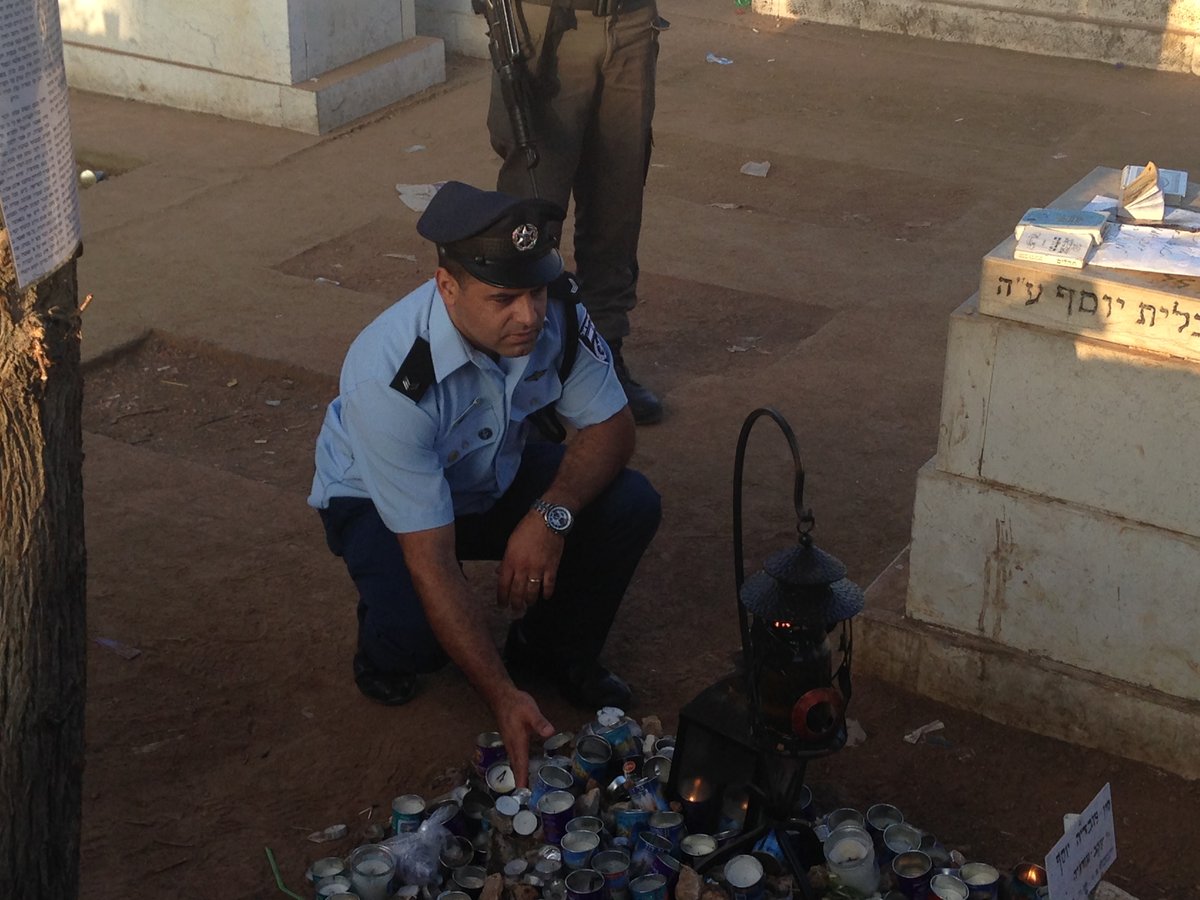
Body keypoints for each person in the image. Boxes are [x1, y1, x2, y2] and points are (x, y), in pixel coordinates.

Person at [308, 181, 661, 783]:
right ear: (448, 288)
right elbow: (432, 561)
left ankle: (550, 649)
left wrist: (551, 515)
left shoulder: (560, 315)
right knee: (416, 645)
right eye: (503, 299)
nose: (528, 316)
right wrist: (501, 695)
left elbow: (613, 429)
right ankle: (383, 644)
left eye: (536, 292)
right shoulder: (388, 376)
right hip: (379, 499)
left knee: (628, 502)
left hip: (494, 469)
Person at [484, 0, 664, 425]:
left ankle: (604, 351)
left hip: (631, 20)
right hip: (549, 25)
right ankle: (520, 371)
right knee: (532, 216)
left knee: (617, 203)